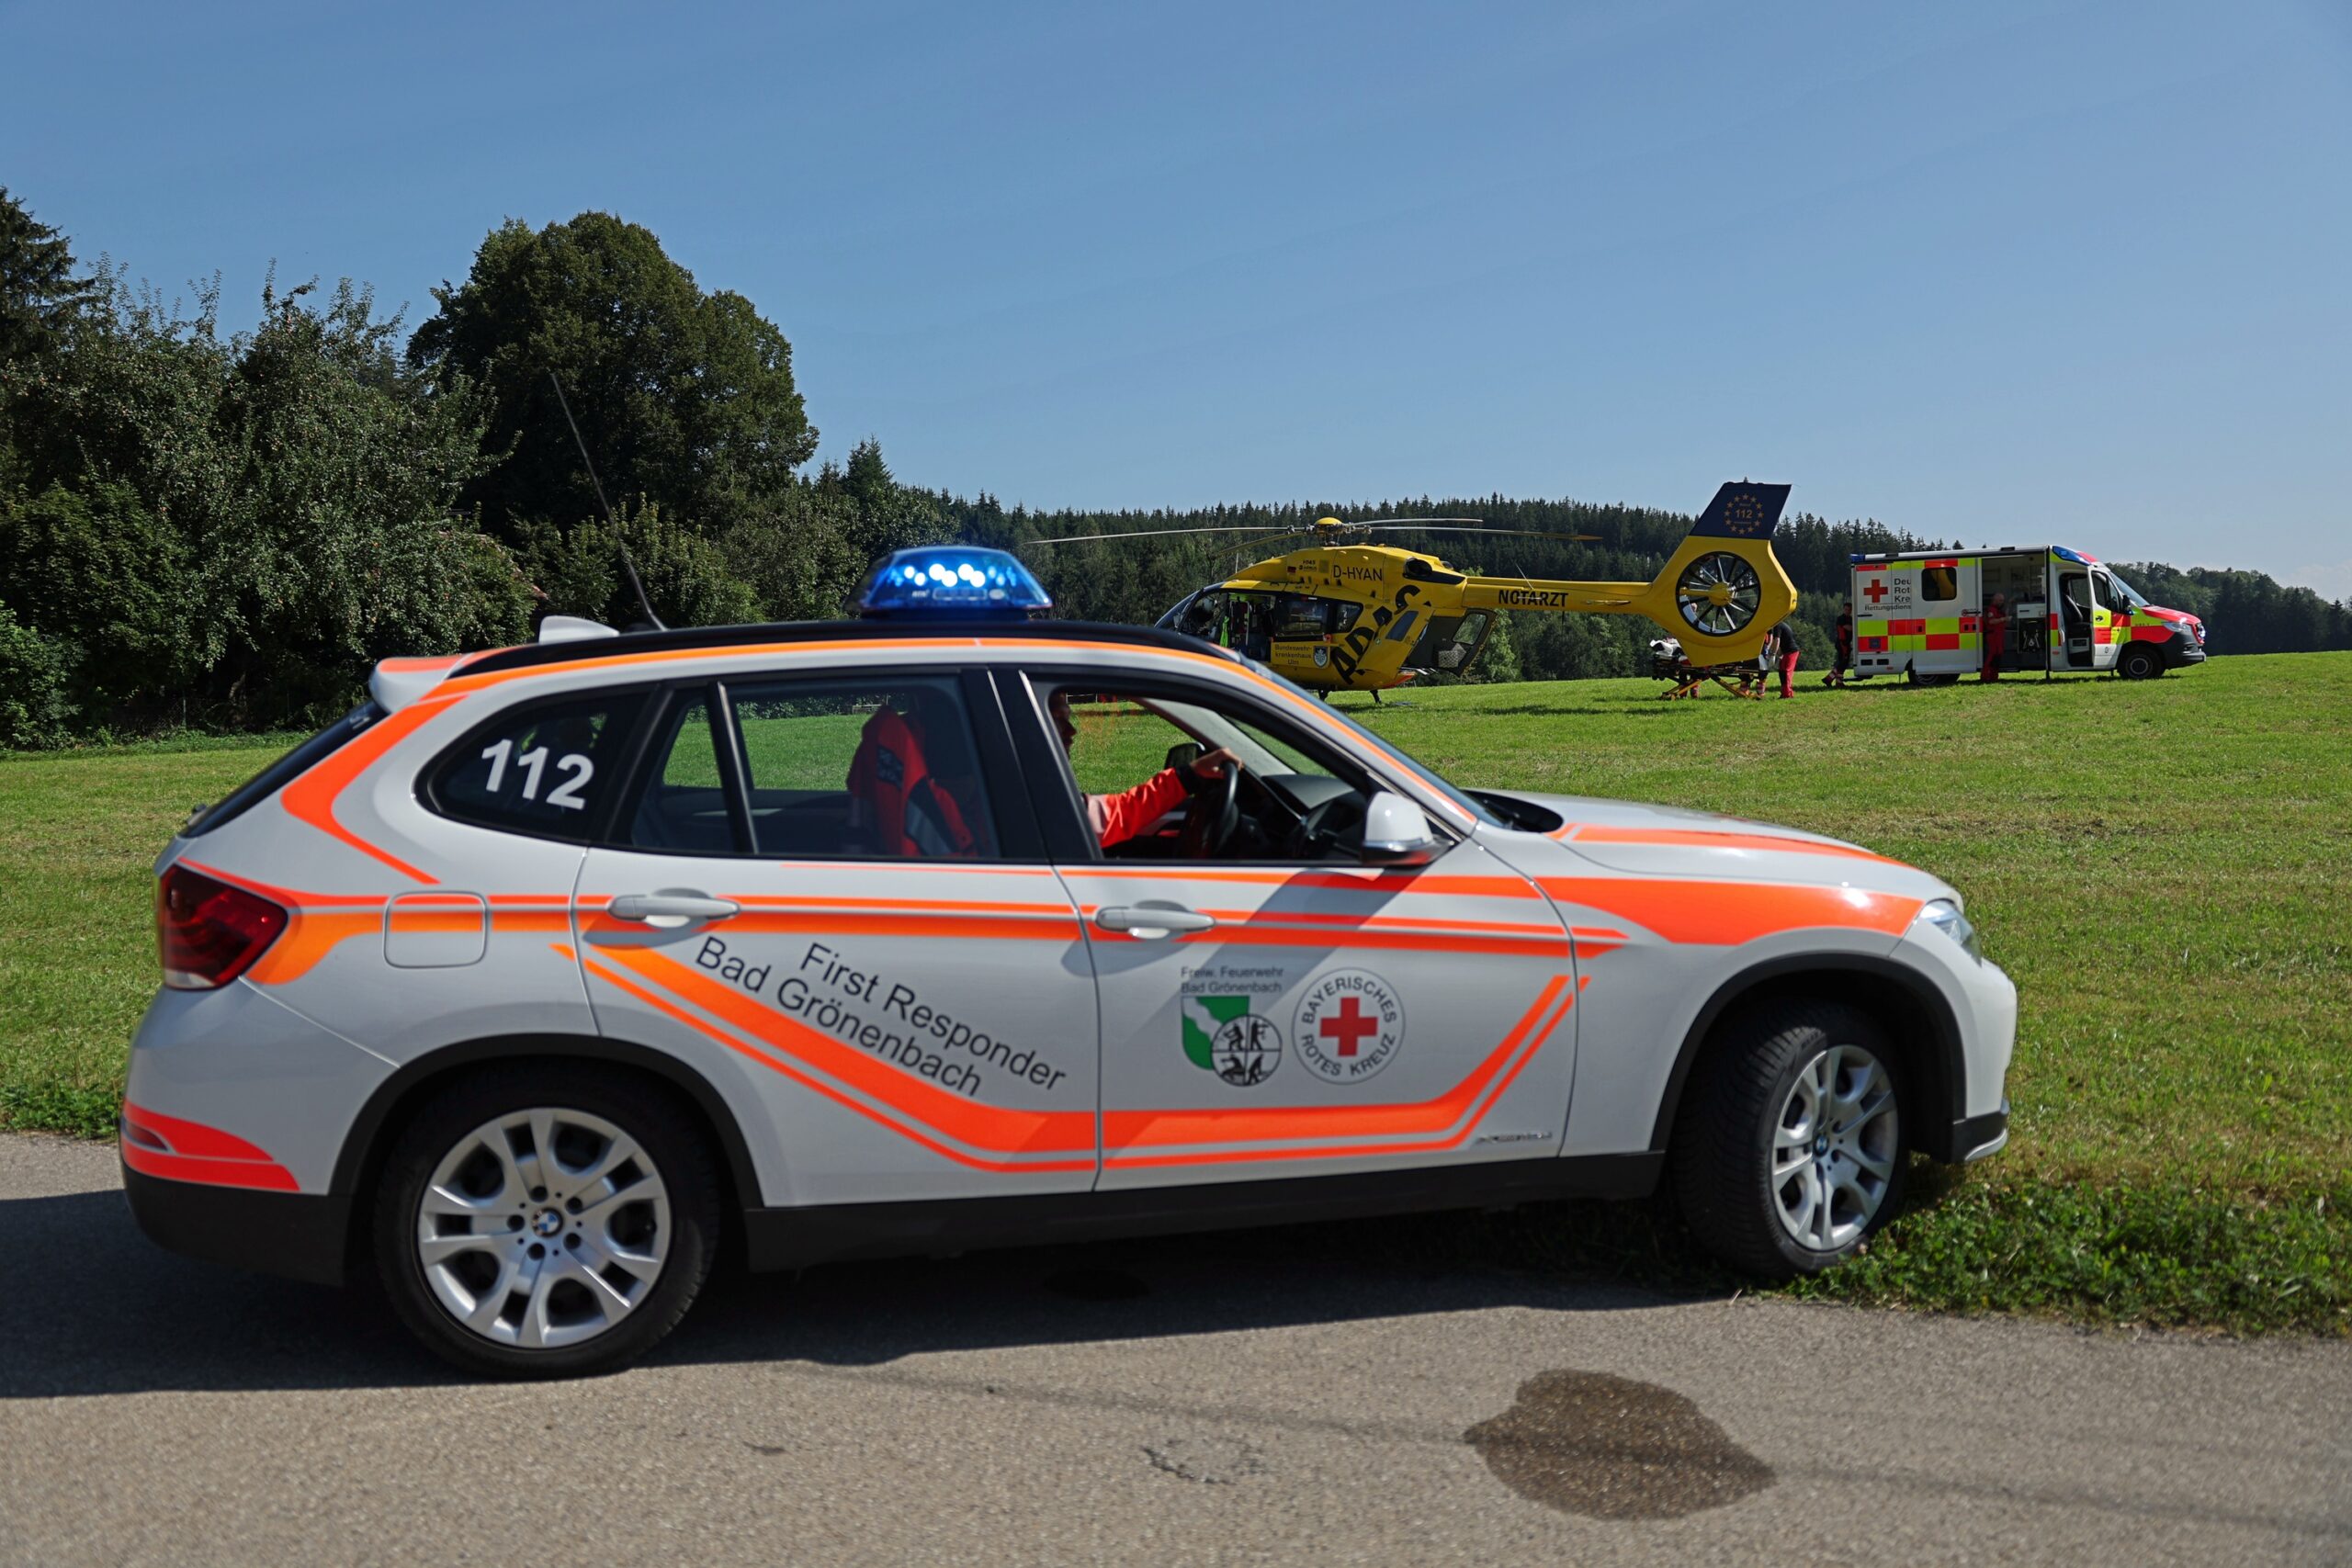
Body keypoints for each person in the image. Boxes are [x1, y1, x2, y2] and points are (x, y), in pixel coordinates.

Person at [1048, 691, 1238, 850]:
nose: (1072, 730)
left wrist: (1189, 775)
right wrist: (1189, 776)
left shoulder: (1041, 793)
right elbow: (1114, 818)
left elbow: (1112, 816)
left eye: (1068, 718)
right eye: (1058, 719)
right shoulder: (1040, 798)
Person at [1770, 619, 1801, 699]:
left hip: (1791, 652)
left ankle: (1787, 694)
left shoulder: (1777, 625)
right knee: (1782, 672)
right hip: (1787, 652)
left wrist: (1773, 654)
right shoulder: (1780, 625)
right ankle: (1786, 693)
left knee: (1786, 673)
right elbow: (1780, 642)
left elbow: (1777, 640)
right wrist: (1780, 655)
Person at [1982, 593, 2008, 682]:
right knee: (1992, 656)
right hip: (1993, 636)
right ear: (1995, 600)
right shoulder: (1991, 609)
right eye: (2000, 600)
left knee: (1997, 656)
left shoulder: (1998, 610)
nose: (2002, 602)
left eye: (2002, 600)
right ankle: (1986, 676)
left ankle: (1994, 677)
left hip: (1998, 636)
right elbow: (1991, 621)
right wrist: (2003, 619)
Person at [1826, 608, 1853, 687]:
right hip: (1842, 643)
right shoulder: (1841, 618)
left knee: (1843, 664)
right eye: (1846, 609)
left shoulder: (1850, 618)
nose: (1848, 611)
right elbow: (1848, 628)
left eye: (1849, 610)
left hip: (1846, 643)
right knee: (1842, 663)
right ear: (1843, 610)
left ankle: (1838, 682)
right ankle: (1829, 679)